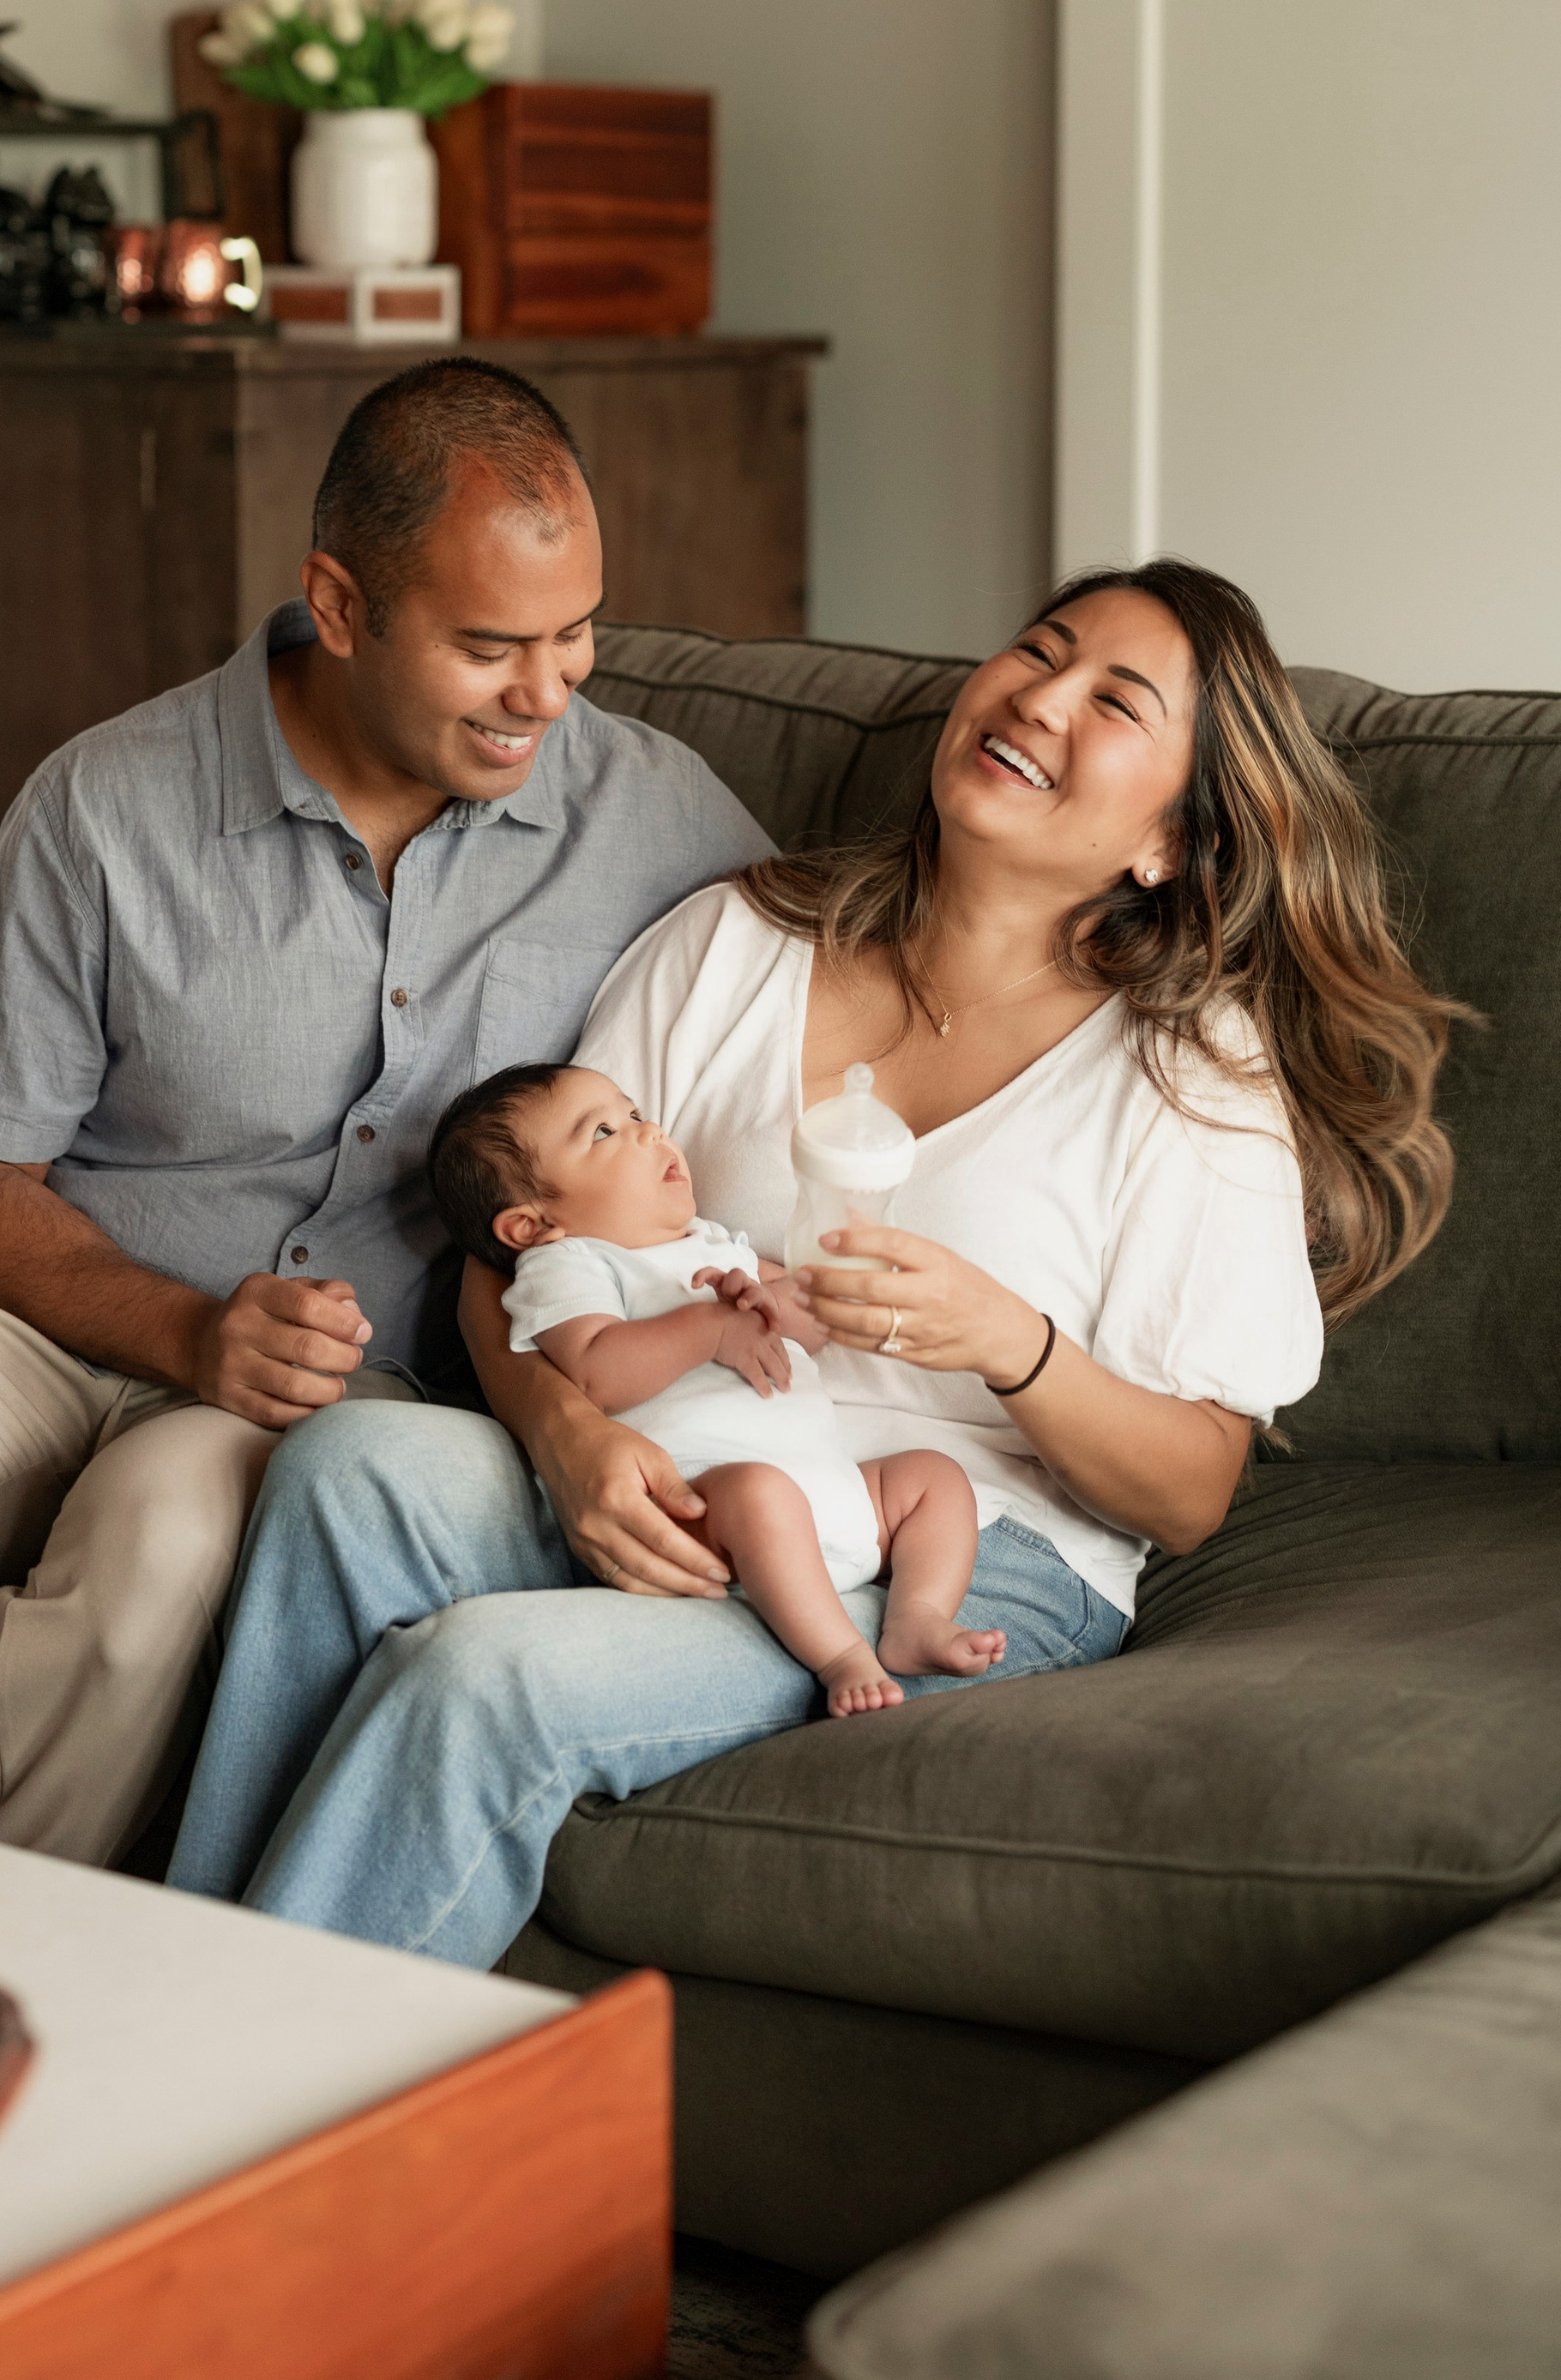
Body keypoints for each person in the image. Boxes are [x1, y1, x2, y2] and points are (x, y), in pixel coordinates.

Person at [167, 559, 1459, 1964]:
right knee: (342, 1468)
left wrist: (1007, 1343)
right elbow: (516, 1251)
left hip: (961, 1550)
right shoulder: (735, 944)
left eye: (1115, 701)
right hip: (693, 1471)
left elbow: (1195, 1490)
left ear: (1166, 843)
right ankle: (182, 2000)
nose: (1040, 695)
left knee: (482, 1680)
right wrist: (565, 1441)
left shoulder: (1189, 1077)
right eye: (1039, 648)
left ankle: (240, 2121)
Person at [0, 359, 771, 1862]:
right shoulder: (107, 807)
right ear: (340, 601)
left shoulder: (656, 815)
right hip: (46, 1315)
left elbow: (845, 988)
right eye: (490, 647)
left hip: (340, 1393)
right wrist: (183, 1331)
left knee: (174, 1536)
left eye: (577, 636)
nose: (546, 695)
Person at [429, 1060, 1003, 1717]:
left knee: (932, 1478)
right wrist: (710, 1328)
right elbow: (595, 1373)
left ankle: (918, 1616)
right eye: (604, 1133)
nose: (650, 1134)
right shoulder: (567, 1262)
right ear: (531, 1225)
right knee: (760, 1492)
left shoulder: (717, 1245)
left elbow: (813, 1328)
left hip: (835, 1499)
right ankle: (842, 1655)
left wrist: (773, 1302)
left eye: (637, 1115)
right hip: (708, 1514)